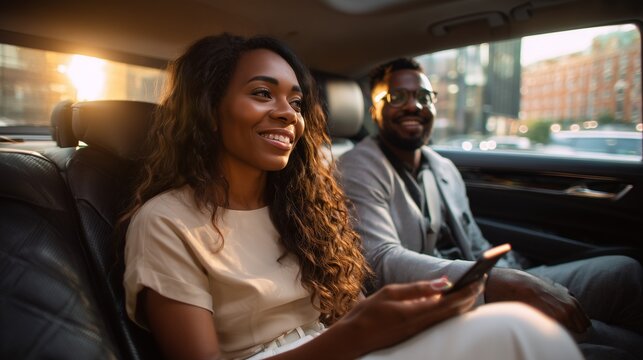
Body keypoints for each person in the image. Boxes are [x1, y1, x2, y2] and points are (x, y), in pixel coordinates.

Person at [121, 34, 582, 360]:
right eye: (263, 94)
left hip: (350, 349)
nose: (287, 114)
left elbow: (334, 320)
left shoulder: (300, 208)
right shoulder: (166, 222)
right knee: (516, 331)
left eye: (297, 102)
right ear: (208, 110)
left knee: (510, 327)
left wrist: (394, 318)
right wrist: (359, 333)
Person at [336, 57, 643, 360]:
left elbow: (473, 239)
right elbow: (381, 260)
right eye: (397, 97)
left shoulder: (442, 167)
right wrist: (495, 285)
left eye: (424, 97)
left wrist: (516, 274)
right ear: (374, 111)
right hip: (437, 302)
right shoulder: (358, 167)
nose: (414, 105)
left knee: (623, 272)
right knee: (609, 350)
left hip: (482, 280)